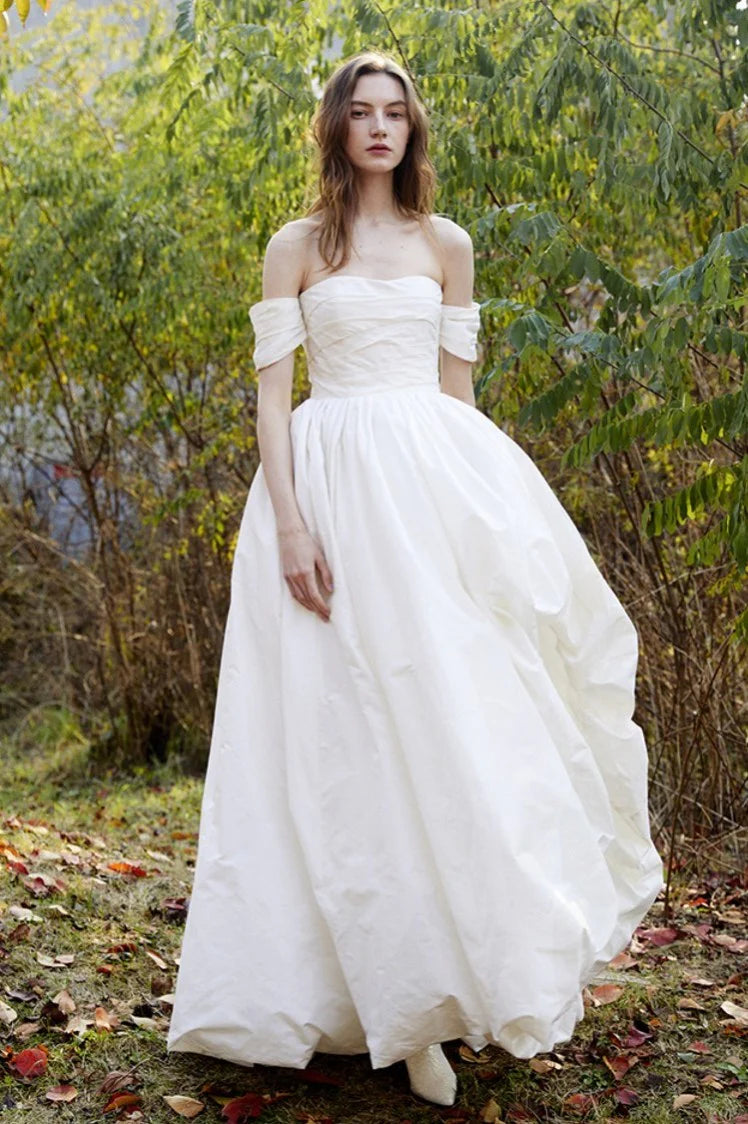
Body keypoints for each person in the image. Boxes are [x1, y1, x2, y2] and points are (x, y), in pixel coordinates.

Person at [166, 50, 664, 1108]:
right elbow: (270, 399)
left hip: (425, 502)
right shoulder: (296, 246)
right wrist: (292, 521)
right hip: (324, 496)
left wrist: (475, 535)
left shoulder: (448, 246)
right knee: (328, 732)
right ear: (336, 126)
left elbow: (458, 403)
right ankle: (332, 992)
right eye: (363, 110)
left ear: (411, 130)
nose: (381, 127)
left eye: (397, 112)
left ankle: (432, 1002)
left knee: (438, 724)